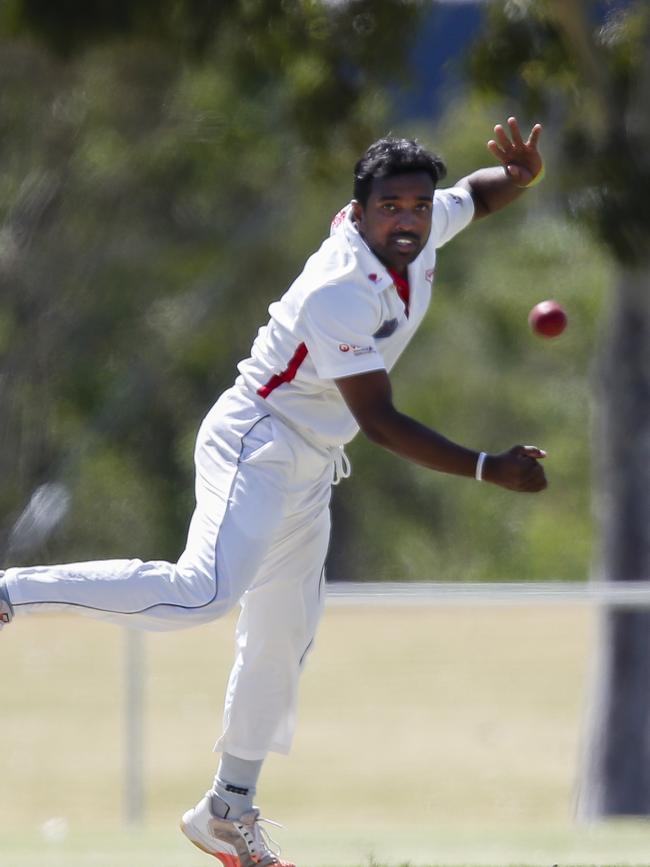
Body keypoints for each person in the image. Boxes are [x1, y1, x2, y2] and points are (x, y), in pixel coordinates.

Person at [0, 117, 547, 867]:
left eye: (417, 205)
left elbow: (473, 198)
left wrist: (517, 178)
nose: (410, 218)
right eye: (391, 206)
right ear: (358, 212)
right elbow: (381, 421)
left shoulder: (421, 231)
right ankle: (9, 591)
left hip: (313, 461)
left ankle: (226, 810)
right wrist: (488, 467)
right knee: (202, 593)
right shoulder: (338, 289)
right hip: (255, 443)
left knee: (281, 639)